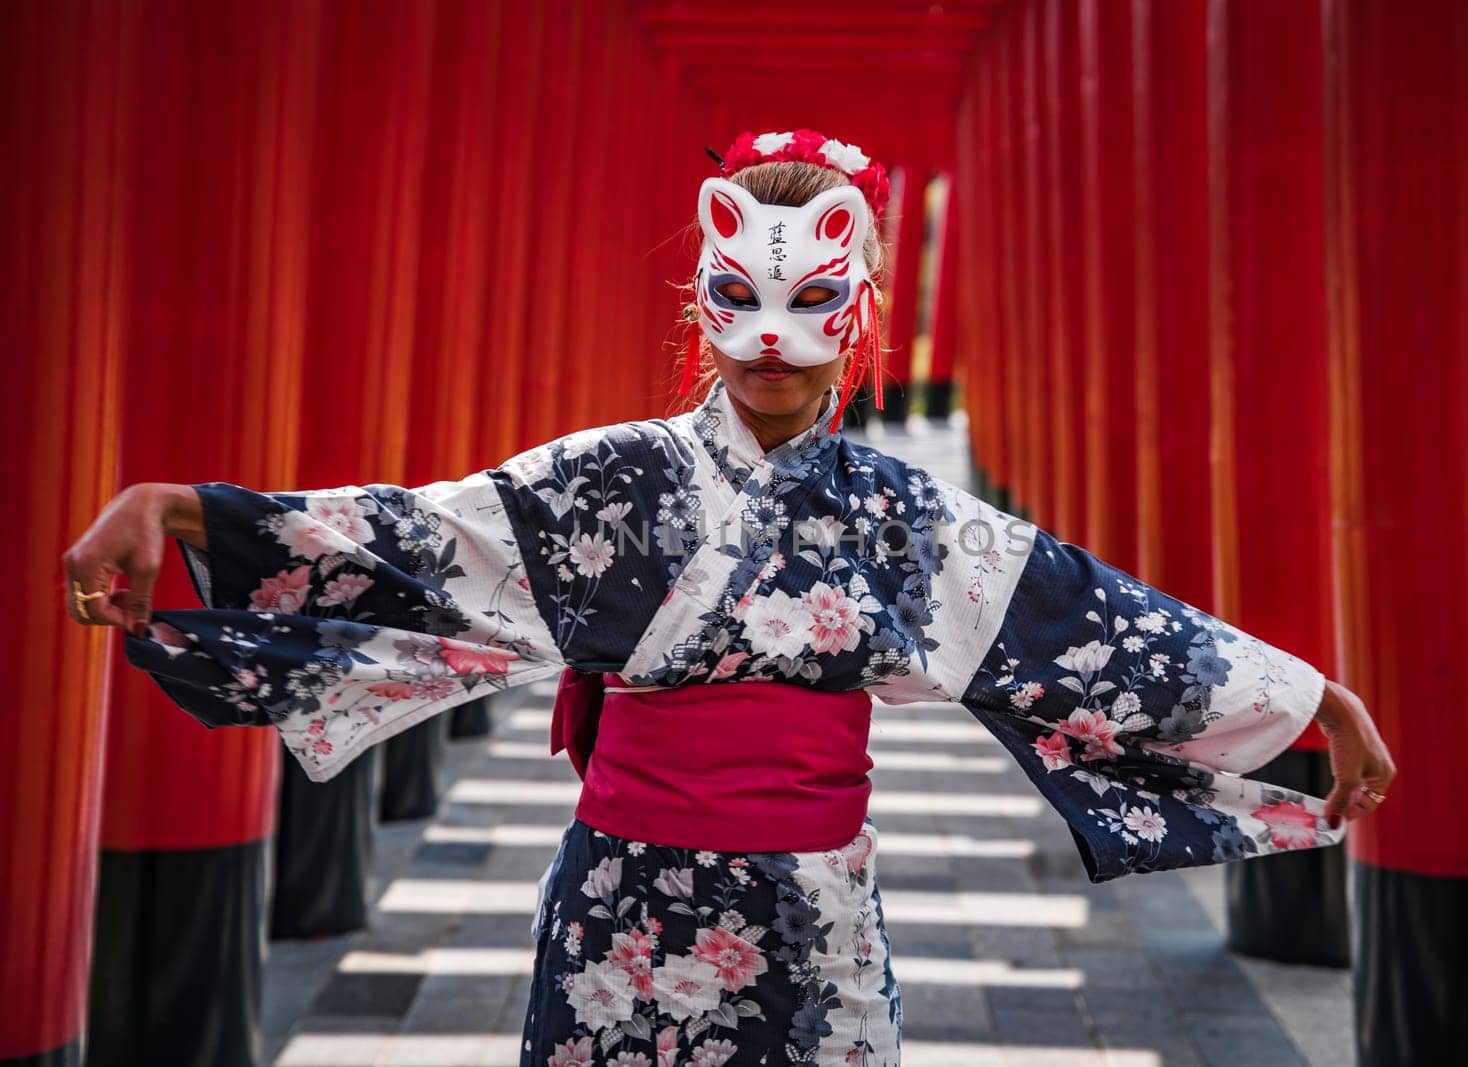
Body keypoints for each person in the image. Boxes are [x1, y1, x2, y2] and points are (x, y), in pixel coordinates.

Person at [62, 128, 1396, 1067]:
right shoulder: (609, 479)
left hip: (815, 905)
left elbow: (1086, 623)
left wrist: (1312, 698)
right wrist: (176, 510)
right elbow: (417, 537)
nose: (773, 337)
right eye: (743, 299)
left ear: (859, 311)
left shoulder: (902, 513)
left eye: (813, 299)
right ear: (700, 304)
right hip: (623, 898)